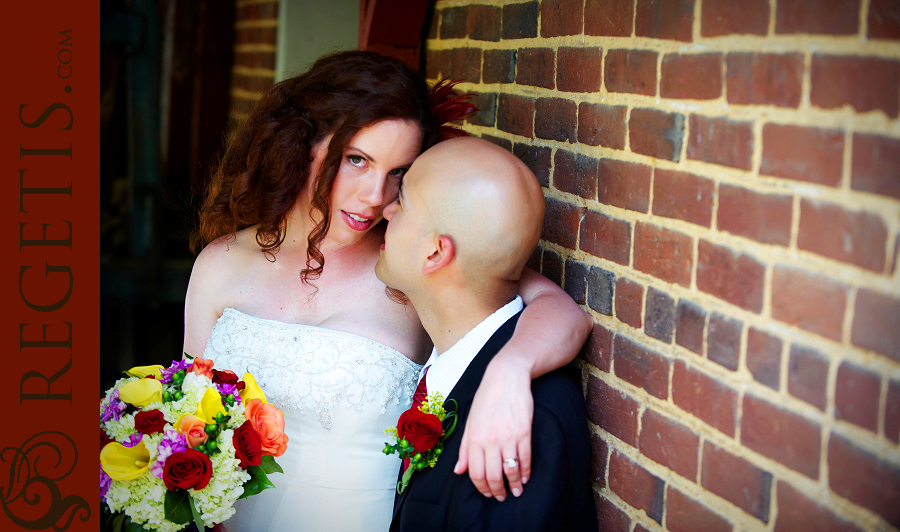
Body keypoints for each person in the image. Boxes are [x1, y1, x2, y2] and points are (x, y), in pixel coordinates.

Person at [184, 51, 591, 531]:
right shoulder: (220, 264)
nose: (376, 196)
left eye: (398, 172)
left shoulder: (413, 265)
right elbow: (194, 428)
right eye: (356, 160)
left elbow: (561, 310)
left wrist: (512, 368)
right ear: (300, 144)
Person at [376, 137, 597, 532]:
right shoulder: (464, 363)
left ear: (435, 254)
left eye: (403, 201)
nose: (386, 209)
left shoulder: (521, 428)